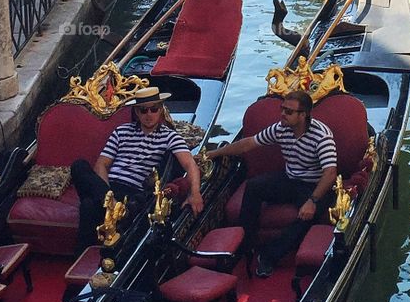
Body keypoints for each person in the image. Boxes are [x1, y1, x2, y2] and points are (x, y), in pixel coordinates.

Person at [208, 90, 337, 278]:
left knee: (307, 216)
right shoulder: (281, 128)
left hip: (315, 186)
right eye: (282, 109)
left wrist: (312, 201)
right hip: (290, 179)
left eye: (289, 112)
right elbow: (248, 144)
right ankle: (245, 242)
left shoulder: (321, 136)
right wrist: (213, 154)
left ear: (303, 115)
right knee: (253, 186)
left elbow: (330, 173)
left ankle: (268, 256)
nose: (283, 114)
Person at [70, 85, 203, 250]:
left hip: (132, 193)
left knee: (88, 205)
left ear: (161, 110)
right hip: (108, 188)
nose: (149, 114)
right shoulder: (121, 131)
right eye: (143, 110)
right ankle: (115, 209)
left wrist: (195, 193)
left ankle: (86, 251)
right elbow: (101, 165)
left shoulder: (170, 137)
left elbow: (190, 164)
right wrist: (108, 195)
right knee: (79, 166)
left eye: (153, 109)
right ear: (136, 112)